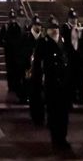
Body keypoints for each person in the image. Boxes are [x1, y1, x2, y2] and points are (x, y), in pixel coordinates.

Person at [33, 16, 74, 149]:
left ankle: (63, 137)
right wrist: (38, 79)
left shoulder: (63, 41)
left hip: (64, 82)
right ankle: (56, 139)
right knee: (54, 113)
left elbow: (73, 56)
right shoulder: (43, 43)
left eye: (56, 28)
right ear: (47, 30)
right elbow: (38, 63)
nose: (54, 31)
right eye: (51, 29)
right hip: (51, 82)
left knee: (64, 113)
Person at [23, 15, 46, 123]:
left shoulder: (43, 38)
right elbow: (21, 53)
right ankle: (34, 114)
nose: (38, 27)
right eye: (36, 25)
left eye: (39, 25)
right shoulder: (26, 37)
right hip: (30, 67)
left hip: (41, 69)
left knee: (42, 93)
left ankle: (41, 114)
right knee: (33, 92)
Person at [0, 9, 24, 100]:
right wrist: (4, 45)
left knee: (17, 69)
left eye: (13, 18)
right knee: (9, 69)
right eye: (11, 18)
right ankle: (11, 86)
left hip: (16, 52)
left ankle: (16, 85)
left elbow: (21, 38)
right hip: (8, 51)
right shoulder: (5, 27)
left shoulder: (18, 26)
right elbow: (0, 38)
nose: (12, 20)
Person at [62, 9, 83, 104]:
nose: (74, 20)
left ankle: (81, 96)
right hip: (69, 55)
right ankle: (71, 97)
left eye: (75, 18)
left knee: (80, 79)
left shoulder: (79, 27)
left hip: (78, 56)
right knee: (70, 78)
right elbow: (66, 39)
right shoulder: (65, 27)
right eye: (72, 18)